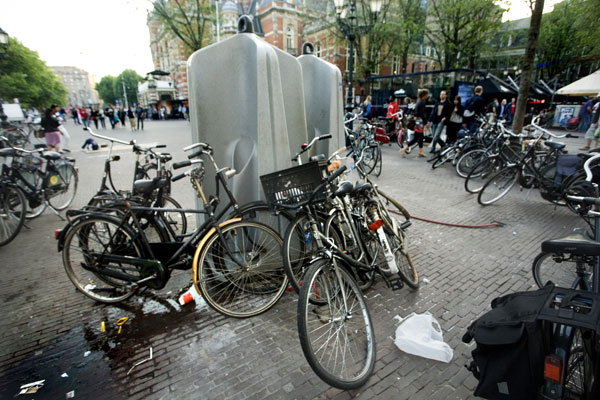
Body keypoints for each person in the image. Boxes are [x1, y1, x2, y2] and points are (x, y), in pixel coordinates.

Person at [401, 88, 429, 158]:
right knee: (417, 138)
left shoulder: (419, 101)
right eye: (427, 94)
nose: (427, 96)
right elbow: (422, 114)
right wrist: (426, 122)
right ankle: (405, 149)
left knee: (420, 137)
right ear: (424, 95)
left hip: (418, 122)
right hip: (420, 122)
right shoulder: (422, 102)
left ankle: (420, 152)